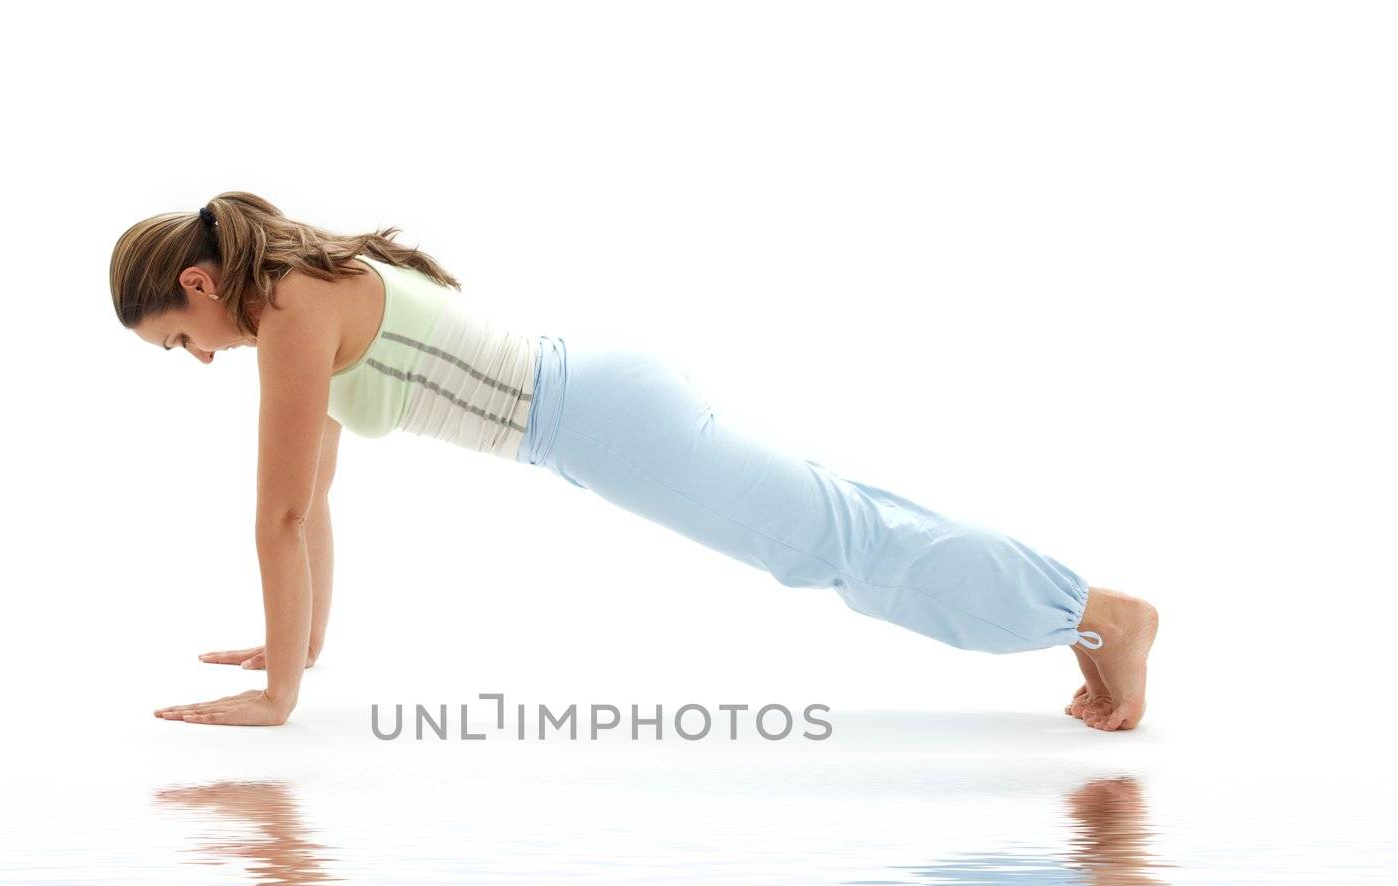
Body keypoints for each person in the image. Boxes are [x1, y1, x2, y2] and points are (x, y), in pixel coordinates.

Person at [110, 191, 1157, 731]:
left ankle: (1098, 611)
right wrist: (296, 648)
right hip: (599, 410)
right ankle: (1076, 617)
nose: (198, 361)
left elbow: (279, 516)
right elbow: (316, 500)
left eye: (179, 342)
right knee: (840, 532)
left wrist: (280, 698)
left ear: (201, 284)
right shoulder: (304, 285)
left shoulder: (293, 308)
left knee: (837, 548)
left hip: (602, 424)